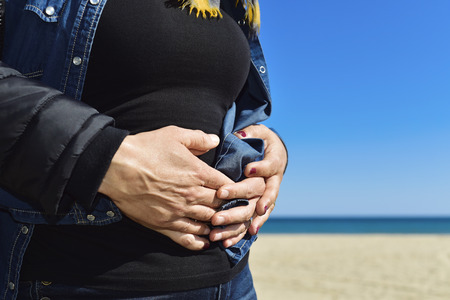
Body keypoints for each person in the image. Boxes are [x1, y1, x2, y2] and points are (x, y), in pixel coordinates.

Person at [0, 0, 288, 299]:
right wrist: (99, 156)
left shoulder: (233, 5)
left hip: (231, 281)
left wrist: (270, 148)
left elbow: (228, 113)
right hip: (76, 280)